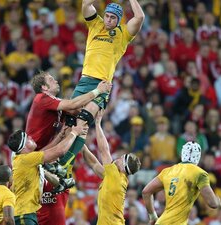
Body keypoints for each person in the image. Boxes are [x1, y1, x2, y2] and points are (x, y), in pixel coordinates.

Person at [56, 0, 145, 178]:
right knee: (70, 123)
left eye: (113, 18)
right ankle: (61, 162)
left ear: (118, 20)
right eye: (107, 16)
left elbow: (140, 16)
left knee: (83, 122)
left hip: (101, 85)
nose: (109, 20)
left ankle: (64, 165)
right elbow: (86, 5)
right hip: (84, 81)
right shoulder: (95, 24)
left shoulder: (123, 33)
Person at [25, 71, 111, 225]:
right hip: (31, 156)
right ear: (44, 87)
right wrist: (98, 91)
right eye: (51, 79)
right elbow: (72, 105)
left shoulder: (54, 102)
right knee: (77, 129)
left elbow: (77, 111)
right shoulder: (41, 98)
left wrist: (98, 107)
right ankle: (61, 172)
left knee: (78, 125)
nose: (56, 80)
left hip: (45, 154)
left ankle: (61, 171)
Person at [6, 122, 87, 225]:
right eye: (28, 138)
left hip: (26, 213)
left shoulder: (24, 159)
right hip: (23, 214)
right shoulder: (27, 159)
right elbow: (59, 151)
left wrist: (59, 136)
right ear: (24, 147)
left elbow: (45, 151)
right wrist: (74, 133)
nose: (31, 137)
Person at [82, 110, 141, 224]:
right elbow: (94, 164)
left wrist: (98, 123)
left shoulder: (116, 176)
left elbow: (104, 150)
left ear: (124, 167)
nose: (117, 158)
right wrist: (82, 146)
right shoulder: (117, 179)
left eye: (121, 158)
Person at [142, 141, 221, 225]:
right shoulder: (199, 173)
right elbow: (212, 203)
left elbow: (146, 192)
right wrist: (217, 201)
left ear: (182, 153)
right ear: (198, 156)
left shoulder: (168, 171)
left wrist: (153, 216)